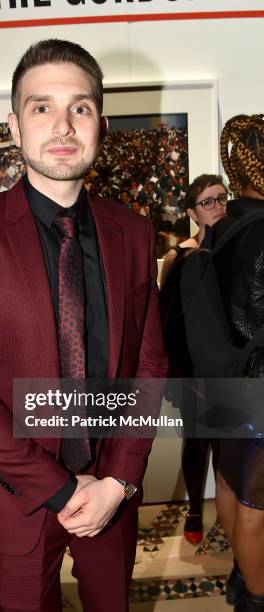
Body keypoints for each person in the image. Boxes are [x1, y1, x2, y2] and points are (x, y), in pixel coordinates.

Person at [0, 39, 167, 612]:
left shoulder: (132, 231)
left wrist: (119, 480)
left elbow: (150, 365)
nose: (62, 125)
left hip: (112, 487)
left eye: (79, 107)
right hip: (15, 496)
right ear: (13, 125)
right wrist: (60, 488)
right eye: (42, 107)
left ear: (100, 124)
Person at [211, 114, 264, 611]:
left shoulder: (224, 225)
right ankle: (256, 594)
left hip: (225, 379)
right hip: (258, 384)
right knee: (258, 506)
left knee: (230, 482)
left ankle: (239, 576)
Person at [159, 175, 228, 544]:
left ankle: (229, 510)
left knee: (230, 445)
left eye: (222, 198)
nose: (218, 207)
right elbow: (168, 320)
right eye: (208, 202)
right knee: (198, 440)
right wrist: (184, 375)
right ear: (191, 213)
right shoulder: (181, 256)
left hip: (232, 371)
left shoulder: (239, 247)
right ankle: (196, 509)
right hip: (192, 372)